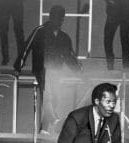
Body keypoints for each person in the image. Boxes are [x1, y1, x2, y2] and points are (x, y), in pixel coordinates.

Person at [14, 5, 82, 133]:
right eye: (57, 18)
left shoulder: (64, 37)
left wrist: (80, 71)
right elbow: (26, 47)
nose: (60, 21)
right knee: (47, 95)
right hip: (42, 69)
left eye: (62, 19)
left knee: (55, 97)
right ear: (51, 17)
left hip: (56, 70)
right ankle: (54, 120)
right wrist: (18, 66)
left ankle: (44, 128)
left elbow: (70, 56)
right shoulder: (40, 31)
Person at [104, 0, 129, 70]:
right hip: (121, 11)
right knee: (123, 39)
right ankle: (124, 66)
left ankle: (113, 65)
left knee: (109, 39)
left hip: (117, 11)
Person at [0, 0, 25, 66]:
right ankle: (8, 58)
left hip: (7, 3)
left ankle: (6, 59)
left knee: (6, 31)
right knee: (17, 31)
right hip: (9, 3)